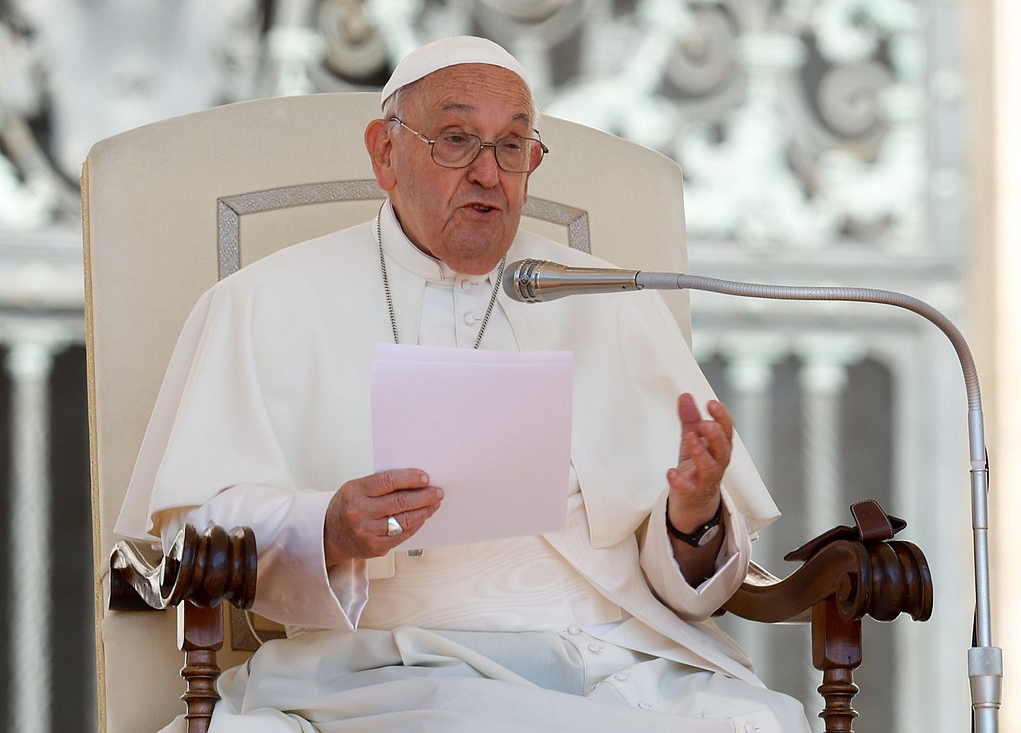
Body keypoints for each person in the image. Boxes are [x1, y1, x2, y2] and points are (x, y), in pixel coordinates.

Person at [116, 35, 810, 733]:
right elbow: (193, 533)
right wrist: (324, 524)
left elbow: (680, 585)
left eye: (512, 146)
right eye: (456, 139)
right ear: (385, 154)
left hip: (609, 659)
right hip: (387, 666)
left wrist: (694, 514)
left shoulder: (608, 298)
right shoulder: (263, 302)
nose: (489, 173)